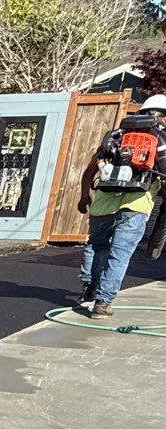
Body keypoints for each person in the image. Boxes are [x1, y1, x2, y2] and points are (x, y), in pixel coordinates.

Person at [75, 94, 166, 318]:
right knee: (120, 253)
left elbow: (90, 170)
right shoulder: (160, 139)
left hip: (103, 203)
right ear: (162, 117)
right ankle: (102, 303)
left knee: (96, 245)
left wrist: (84, 197)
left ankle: (88, 288)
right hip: (136, 204)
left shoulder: (116, 136)